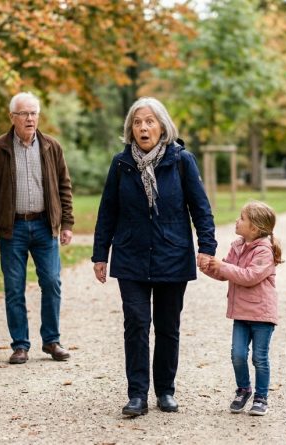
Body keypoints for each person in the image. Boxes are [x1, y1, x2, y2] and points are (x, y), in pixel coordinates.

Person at [92, 97, 217, 417]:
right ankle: (137, 395)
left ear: (162, 126)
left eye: (149, 121)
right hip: (130, 255)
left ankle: (165, 390)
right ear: (130, 129)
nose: (143, 127)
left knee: (167, 326)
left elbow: (200, 208)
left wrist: (206, 247)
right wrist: (100, 254)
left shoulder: (181, 160)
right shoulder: (121, 164)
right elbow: (108, 211)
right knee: (136, 323)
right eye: (137, 122)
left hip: (172, 254)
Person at [0, 92, 74, 365]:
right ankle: (20, 345)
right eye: (24, 114)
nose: (30, 118)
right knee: (14, 288)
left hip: (45, 226)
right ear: (13, 117)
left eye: (33, 113)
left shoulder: (51, 146)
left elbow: (64, 186)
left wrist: (66, 223)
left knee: (52, 282)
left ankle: (52, 341)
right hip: (12, 228)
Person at [200, 200, 282, 417]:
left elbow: (249, 276)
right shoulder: (237, 246)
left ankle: (261, 397)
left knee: (259, 358)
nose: (237, 221)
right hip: (241, 313)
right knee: (237, 354)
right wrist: (209, 267)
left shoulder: (264, 251)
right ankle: (243, 389)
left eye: (241, 218)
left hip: (262, 314)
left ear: (254, 228)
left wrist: (223, 266)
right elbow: (226, 272)